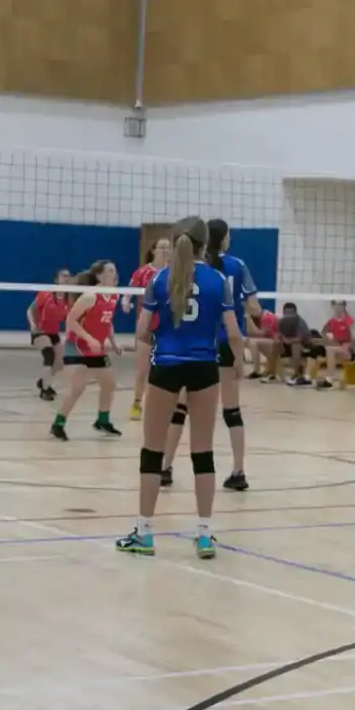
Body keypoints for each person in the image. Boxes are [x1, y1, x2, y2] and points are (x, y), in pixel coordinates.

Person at [116, 217, 244, 559]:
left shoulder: (160, 278)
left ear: (175, 243)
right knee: (202, 452)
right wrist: (241, 361)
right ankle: (204, 534)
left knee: (152, 451)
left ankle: (144, 533)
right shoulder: (218, 280)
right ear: (206, 245)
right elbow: (233, 331)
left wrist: (164, 339)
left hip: (167, 365)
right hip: (205, 367)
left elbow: (142, 331)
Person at [162, 219, 260, 490]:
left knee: (181, 409)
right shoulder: (237, 266)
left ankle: (166, 467)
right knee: (232, 412)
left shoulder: (189, 268)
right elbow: (254, 308)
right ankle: (238, 472)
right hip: (227, 345)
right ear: (224, 239)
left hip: (198, 344)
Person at [52, 260, 123, 441]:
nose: (114, 274)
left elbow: (107, 322)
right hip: (77, 345)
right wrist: (89, 338)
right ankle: (58, 424)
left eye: (114, 271)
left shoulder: (114, 296)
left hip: (96, 348)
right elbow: (71, 321)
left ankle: (102, 420)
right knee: (78, 387)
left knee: (109, 383)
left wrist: (113, 343)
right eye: (110, 271)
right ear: (99, 276)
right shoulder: (90, 296)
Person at [124, 239, 171, 419]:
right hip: (146, 326)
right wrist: (126, 302)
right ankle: (136, 403)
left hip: (167, 327)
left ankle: (163, 405)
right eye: (162, 248)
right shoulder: (143, 272)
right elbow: (129, 290)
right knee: (142, 369)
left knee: (166, 369)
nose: (165, 251)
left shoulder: (172, 272)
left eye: (168, 248)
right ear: (153, 250)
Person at [28, 267, 72, 401]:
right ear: (56, 280)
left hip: (54, 334)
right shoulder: (46, 294)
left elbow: (70, 318)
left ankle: (43, 381)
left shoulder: (68, 300)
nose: (67, 278)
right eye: (63, 276)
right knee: (49, 356)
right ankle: (45, 389)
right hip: (40, 331)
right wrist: (33, 325)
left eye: (69, 276)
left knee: (59, 363)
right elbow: (30, 310)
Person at [316, 300, 355, 389]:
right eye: (336, 305)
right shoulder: (331, 321)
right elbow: (323, 332)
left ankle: (329, 380)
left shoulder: (348, 320)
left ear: (344, 306)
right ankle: (309, 377)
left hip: (347, 351)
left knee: (330, 350)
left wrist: (347, 345)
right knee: (326, 350)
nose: (338, 307)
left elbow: (354, 336)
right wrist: (328, 337)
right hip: (336, 349)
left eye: (340, 305)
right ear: (333, 306)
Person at [275, 302, 312, 386]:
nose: (288, 315)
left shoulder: (301, 323)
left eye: (291, 313)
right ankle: (273, 372)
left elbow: (300, 338)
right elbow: (278, 334)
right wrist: (282, 338)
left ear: (295, 313)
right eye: (286, 313)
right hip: (287, 344)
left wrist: (288, 340)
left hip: (303, 346)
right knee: (275, 344)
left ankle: (297, 374)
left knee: (296, 345)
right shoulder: (281, 322)